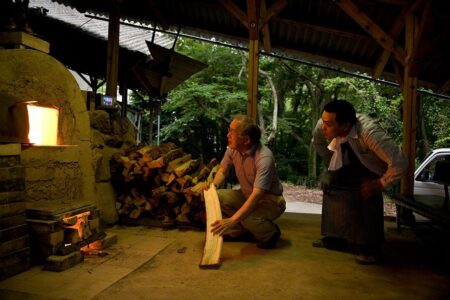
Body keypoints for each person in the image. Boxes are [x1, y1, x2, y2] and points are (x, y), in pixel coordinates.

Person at [312, 100, 407, 264]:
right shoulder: (322, 126)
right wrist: (331, 168)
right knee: (332, 186)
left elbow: (400, 163)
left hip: (373, 164)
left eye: (328, 124)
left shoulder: (369, 133)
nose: (323, 127)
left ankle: (371, 247)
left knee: (367, 192)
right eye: (323, 121)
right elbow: (319, 144)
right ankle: (335, 237)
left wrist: (380, 184)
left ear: (345, 125)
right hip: (347, 156)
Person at [208, 114, 286, 249]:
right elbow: (222, 171)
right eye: (229, 130)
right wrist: (212, 187)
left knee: (247, 218)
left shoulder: (264, 158)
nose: (228, 135)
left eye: (232, 132)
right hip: (246, 195)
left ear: (246, 140)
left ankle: (270, 233)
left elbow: (257, 195)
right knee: (216, 196)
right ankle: (243, 231)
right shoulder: (233, 149)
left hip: (270, 202)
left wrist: (233, 220)